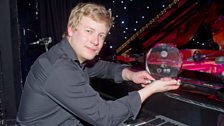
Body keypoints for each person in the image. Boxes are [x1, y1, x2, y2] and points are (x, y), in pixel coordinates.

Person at [16, 2, 179, 126]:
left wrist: (131, 74)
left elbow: (102, 67)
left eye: (101, 35)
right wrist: (151, 89)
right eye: (89, 31)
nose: (95, 41)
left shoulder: (69, 54)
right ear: (71, 30)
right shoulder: (59, 68)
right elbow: (104, 117)